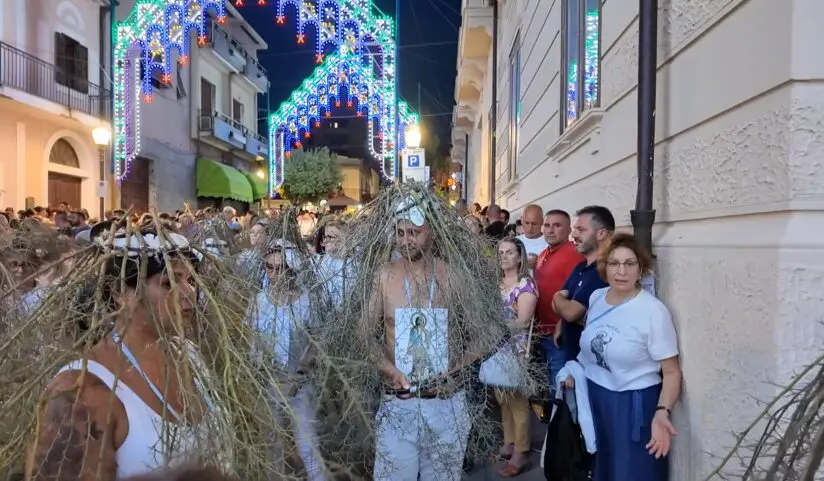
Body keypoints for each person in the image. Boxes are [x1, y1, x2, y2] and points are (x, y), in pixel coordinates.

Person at [26, 225, 221, 480]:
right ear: (120, 294)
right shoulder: (81, 390)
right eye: (168, 283)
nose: (188, 293)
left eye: (191, 280)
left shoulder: (190, 356)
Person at [361, 195, 475, 481]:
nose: (405, 240)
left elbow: (486, 332)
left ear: (432, 232)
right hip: (399, 402)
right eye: (400, 233)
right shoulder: (384, 276)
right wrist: (389, 369)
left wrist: (456, 370)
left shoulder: (455, 277)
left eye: (414, 232)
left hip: (445, 403)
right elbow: (362, 333)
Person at [563, 233, 681, 481]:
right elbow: (590, 350)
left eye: (630, 263)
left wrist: (662, 412)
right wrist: (574, 376)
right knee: (601, 470)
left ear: (641, 269)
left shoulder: (652, 311)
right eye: (615, 263)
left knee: (631, 473)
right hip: (596, 400)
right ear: (605, 267)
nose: (622, 271)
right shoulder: (597, 298)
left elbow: (671, 372)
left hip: (631, 407)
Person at [248, 246, 325, 481]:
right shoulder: (258, 302)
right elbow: (252, 342)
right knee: (272, 444)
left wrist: (299, 376)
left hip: (300, 383)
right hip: (269, 383)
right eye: (269, 267)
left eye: (280, 268)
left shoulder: (305, 302)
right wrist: (257, 367)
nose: (273, 274)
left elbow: (317, 342)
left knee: (307, 444)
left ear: (291, 271)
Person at [493, 237, 537, 477]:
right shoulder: (496, 284)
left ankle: (521, 450)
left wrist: (494, 326)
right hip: (497, 349)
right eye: (501, 253)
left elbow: (522, 322)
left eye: (510, 252)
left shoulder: (525, 285)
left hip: (516, 351)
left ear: (520, 257)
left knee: (518, 402)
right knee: (503, 398)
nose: (504, 257)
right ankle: (509, 442)